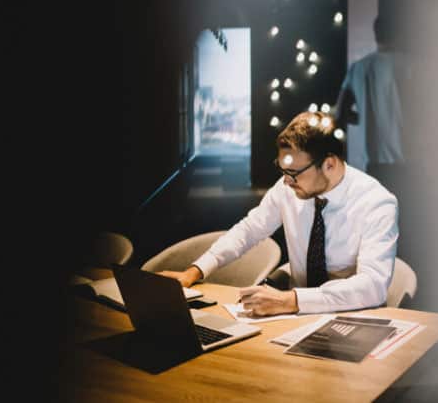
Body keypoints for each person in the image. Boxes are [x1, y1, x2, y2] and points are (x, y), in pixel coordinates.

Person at [160, 111, 399, 316]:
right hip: (294, 316)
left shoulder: (377, 203)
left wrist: (292, 300)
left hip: (354, 317)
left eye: (294, 172)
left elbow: (372, 286)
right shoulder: (289, 187)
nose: (286, 181)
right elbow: (249, 230)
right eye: (282, 169)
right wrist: (194, 271)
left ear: (330, 164)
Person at [334, 16, 410, 173]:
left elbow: (340, 114)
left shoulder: (357, 69)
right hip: (408, 160)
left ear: (376, 35)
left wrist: (368, 117)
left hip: (372, 163)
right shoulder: (411, 66)